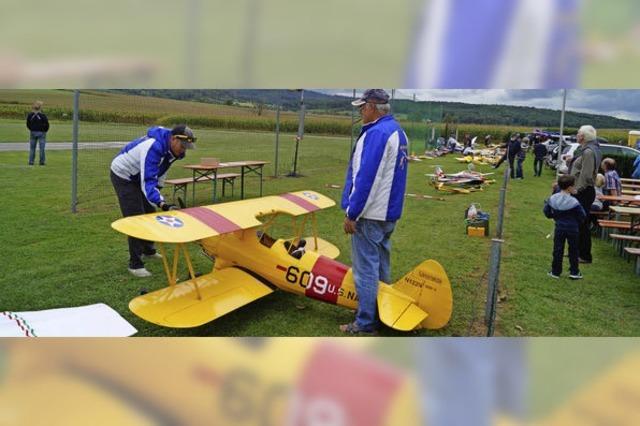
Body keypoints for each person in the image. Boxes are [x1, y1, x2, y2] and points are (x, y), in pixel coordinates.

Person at [340, 89, 408, 334]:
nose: (360, 112)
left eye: (362, 107)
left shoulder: (377, 134)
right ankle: (382, 310)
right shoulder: (398, 131)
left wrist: (352, 213)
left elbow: (367, 178)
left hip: (370, 215)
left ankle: (366, 322)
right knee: (381, 266)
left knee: (365, 270)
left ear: (372, 107)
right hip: (388, 213)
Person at [110, 125, 196, 277]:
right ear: (173, 139)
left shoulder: (174, 150)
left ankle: (148, 251)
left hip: (139, 177)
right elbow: (147, 180)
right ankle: (135, 265)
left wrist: (158, 193)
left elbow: (162, 170)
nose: (184, 150)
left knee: (150, 212)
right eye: (182, 146)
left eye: (186, 147)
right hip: (124, 175)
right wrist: (162, 203)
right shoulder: (153, 147)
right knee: (136, 218)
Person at [569, 125, 601, 264]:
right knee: (577, 223)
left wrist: (577, 189)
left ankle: (585, 255)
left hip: (583, 191)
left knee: (582, 224)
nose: (577, 135)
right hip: (583, 190)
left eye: (578, 133)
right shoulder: (591, 149)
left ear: (583, 136)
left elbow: (587, 175)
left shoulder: (588, 152)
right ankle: (576, 251)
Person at [544, 174, 586, 280]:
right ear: (570, 187)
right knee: (573, 250)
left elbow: (546, 211)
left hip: (559, 227)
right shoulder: (574, 202)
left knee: (558, 249)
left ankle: (555, 271)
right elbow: (582, 215)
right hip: (573, 228)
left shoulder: (553, 198)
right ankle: (574, 271)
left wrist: (553, 216)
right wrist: (577, 222)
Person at [26, 100, 49, 166]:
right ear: (40, 107)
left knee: (32, 148)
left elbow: (28, 124)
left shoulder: (30, 115)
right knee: (42, 148)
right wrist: (45, 130)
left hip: (33, 132)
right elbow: (47, 124)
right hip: (42, 133)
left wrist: (32, 129)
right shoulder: (43, 116)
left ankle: (31, 161)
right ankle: (42, 162)